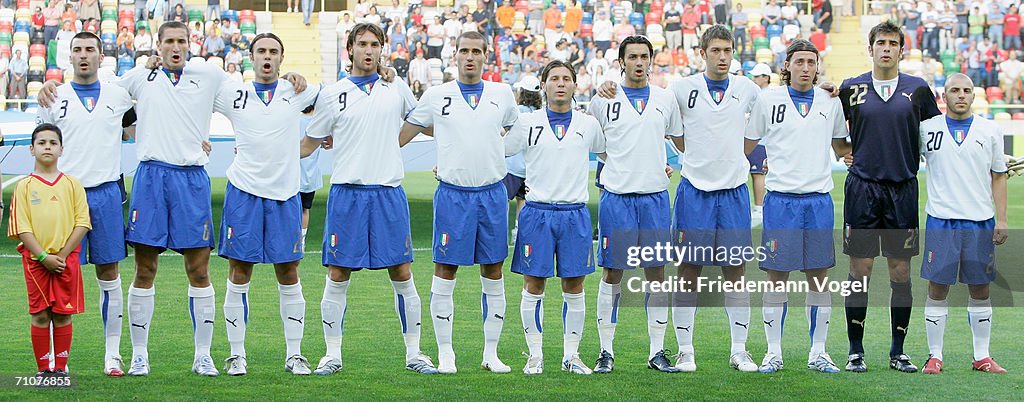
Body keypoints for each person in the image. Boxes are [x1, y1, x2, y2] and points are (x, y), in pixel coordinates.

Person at [36, 21, 307, 377]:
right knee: (144, 269)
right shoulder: (138, 77)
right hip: (150, 179)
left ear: (189, 45)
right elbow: (97, 93)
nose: (175, 47)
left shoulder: (209, 76)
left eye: (181, 41)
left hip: (191, 179)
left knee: (199, 269)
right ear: (158, 47)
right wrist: (52, 84)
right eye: (169, 42)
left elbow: (252, 99)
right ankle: (138, 354)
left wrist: (293, 80)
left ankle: (203, 354)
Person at [303, 23, 438, 375]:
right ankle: (332, 354)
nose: (367, 50)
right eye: (361, 44)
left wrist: (395, 143)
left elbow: (427, 123)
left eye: (374, 44)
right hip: (347, 194)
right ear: (349, 49)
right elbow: (309, 142)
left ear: (382, 49)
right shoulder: (333, 94)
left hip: (388, 193)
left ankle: (414, 353)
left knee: (403, 271)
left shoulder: (396, 87)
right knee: (337, 272)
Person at [399, 30, 520, 374]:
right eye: (463, 51)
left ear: (486, 56)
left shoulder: (502, 93)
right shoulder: (438, 95)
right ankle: (446, 353)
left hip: (493, 193)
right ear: (455, 55)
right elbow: (402, 134)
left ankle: (491, 353)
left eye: (476, 51)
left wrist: (496, 150)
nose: (470, 57)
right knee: (445, 270)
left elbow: (515, 130)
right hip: (453, 194)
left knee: (493, 271)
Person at [836, 21, 941, 373]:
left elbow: (936, 134)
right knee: (859, 271)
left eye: (892, 43)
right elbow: (837, 135)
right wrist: (848, 152)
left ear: (901, 50)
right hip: (862, 190)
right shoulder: (851, 89)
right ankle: (855, 351)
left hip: (902, 189)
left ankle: (898, 351)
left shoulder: (919, 89)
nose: (886, 48)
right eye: (880, 42)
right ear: (870, 48)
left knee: (900, 273)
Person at [213, 32, 320, 377]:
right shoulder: (234, 93)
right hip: (243, 193)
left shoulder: (296, 91)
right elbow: (190, 98)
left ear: (282, 58)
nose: (267, 57)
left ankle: (294, 354)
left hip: (285, 195)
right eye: (261, 51)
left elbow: (337, 98)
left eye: (274, 51)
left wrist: (387, 74)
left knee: (288, 273)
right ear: (251, 57)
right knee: (239, 272)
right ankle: (236, 354)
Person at [743, 39, 852, 374]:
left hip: (818, 201)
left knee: (818, 279)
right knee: (777, 278)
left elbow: (841, 147)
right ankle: (773, 352)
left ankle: (818, 352)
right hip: (781, 201)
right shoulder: (768, 99)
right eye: (800, 61)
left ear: (818, 67)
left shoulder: (829, 101)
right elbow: (747, 145)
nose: (806, 67)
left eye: (812, 62)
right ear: (787, 65)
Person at [35, 32, 136, 377]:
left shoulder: (119, 96)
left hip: (106, 194)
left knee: (109, 273)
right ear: (70, 56)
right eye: (77, 50)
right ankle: (53, 357)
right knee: (56, 274)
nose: (83, 55)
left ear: (101, 55)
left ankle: (112, 354)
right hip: (63, 197)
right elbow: (41, 150)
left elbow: (142, 129)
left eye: (89, 49)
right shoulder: (53, 96)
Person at [587, 35, 684, 374]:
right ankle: (605, 352)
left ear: (651, 60)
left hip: (655, 197)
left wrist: (658, 163)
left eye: (644, 56)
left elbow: (675, 139)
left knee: (656, 275)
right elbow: (597, 145)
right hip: (617, 198)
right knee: (612, 272)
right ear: (621, 61)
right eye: (633, 57)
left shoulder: (665, 98)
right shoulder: (603, 100)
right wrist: (621, 165)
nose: (639, 62)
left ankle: (657, 351)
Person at [506, 60, 604, 375]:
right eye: (554, 79)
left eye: (566, 79)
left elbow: (611, 155)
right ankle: (535, 355)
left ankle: (571, 355)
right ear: (544, 85)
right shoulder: (527, 123)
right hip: (537, 212)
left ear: (575, 85)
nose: (560, 84)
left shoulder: (588, 125)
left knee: (574, 285)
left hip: (574, 213)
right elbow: (499, 152)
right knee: (533, 283)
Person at [916, 74, 1008, 374]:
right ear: (944, 95)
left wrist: (1002, 218)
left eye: (967, 91)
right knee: (937, 288)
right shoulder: (927, 129)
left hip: (980, 222)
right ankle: (934, 355)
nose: (961, 95)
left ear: (973, 96)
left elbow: (998, 175)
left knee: (980, 289)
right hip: (941, 221)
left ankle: (982, 356)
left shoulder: (990, 130)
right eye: (955, 90)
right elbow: (902, 160)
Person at [8, 123, 91, 377]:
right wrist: (44, 257)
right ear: (32, 149)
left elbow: (83, 222)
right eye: (42, 143)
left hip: (66, 260)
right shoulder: (24, 186)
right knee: (41, 314)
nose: (47, 147)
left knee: (63, 314)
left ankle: (61, 368)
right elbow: (22, 228)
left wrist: (62, 256)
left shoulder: (72, 184)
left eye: (53, 143)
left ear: (61, 149)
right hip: (36, 261)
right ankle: (44, 369)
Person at [505, 75, 542, 245]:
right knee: (523, 201)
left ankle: (499, 231)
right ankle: (518, 232)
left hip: (513, 165)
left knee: (503, 200)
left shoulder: (517, 111)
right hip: (531, 167)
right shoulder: (541, 114)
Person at [747, 62, 772, 227]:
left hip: (760, 140)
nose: (754, 79)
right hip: (760, 139)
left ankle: (759, 207)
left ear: (765, 78)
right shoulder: (766, 94)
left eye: (757, 76)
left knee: (757, 174)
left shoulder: (766, 95)